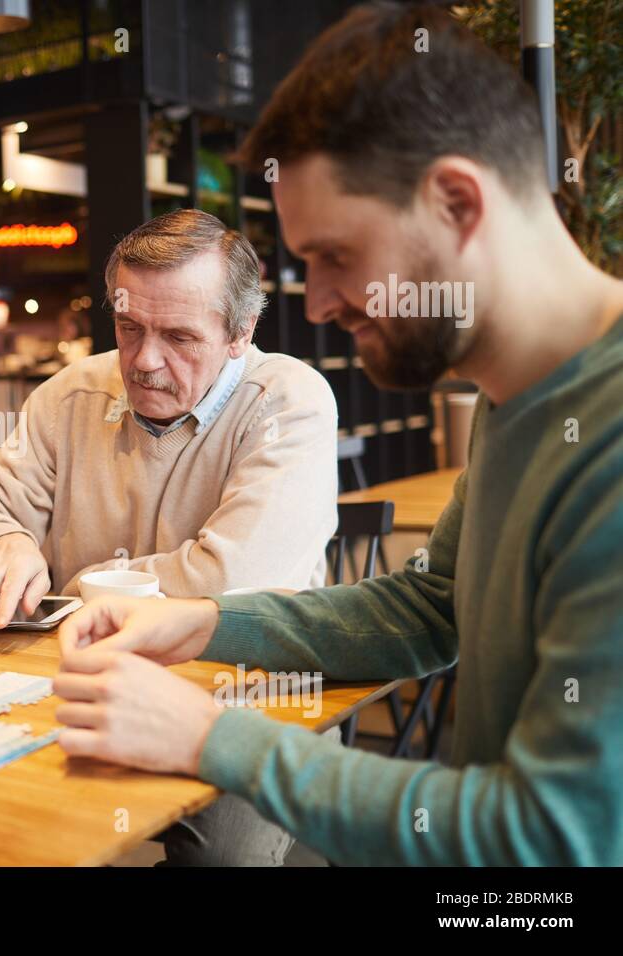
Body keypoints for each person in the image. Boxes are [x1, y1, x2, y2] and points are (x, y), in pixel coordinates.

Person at [53, 3, 623, 865]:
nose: (316, 303)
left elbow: (550, 836)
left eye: (336, 257)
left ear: (458, 203)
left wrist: (211, 738)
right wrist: (202, 623)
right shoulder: (521, 398)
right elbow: (429, 607)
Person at [0, 208, 339, 864]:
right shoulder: (69, 396)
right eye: (128, 328)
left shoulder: (289, 401)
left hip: (249, 696)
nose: (144, 361)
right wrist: (0, 542)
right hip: (80, 680)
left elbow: (233, 585)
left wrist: (70, 594)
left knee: (218, 858)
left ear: (241, 332)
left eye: (178, 335)